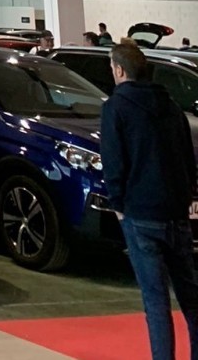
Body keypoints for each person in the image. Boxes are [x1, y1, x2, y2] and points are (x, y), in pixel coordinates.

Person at [101, 40, 198, 360]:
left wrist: (117, 205)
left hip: (141, 215)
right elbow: (188, 157)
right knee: (191, 299)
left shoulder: (116, 107)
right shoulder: (171, 106)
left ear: (118, 69)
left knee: (156, 305)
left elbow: (114, 160)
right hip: (176, 213)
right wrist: (187, 196)